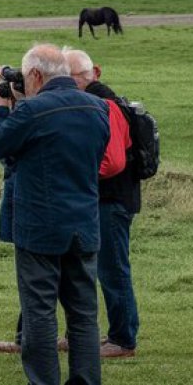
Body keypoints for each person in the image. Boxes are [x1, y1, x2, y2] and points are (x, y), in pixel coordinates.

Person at [0, 44, 109, 385]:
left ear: (36, 75)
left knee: (39, 309)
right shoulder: (97, 108)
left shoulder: (35, 111)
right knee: (83, 313)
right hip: (84, 222)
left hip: (40, 223)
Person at [64, 48, 140, 359]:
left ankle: (122, 339)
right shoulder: (102, 101)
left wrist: (77, 174)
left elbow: (112, 163)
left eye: (66, 78)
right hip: (107, 198)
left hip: (110, 199)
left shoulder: (104, 104)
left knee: (112, 270)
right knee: (86, 267)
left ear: (87, 75)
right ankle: (81, 333)